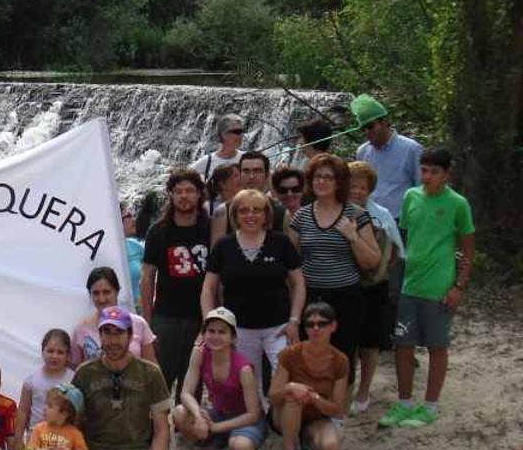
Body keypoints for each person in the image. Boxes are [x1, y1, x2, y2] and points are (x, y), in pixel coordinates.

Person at [378, 147, 475, 429]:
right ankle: (405, 402)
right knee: (403, 345)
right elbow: (404, 238)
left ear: (446, 174)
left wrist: (458, 286)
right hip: (410, 284)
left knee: (436, 346)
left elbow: (468, 248)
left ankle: (430, 406)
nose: (427, 176)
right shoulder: (411, 196)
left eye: (434, 171)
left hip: (439, 286)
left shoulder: (457, 204)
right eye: (424, 170)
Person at [202, 189, 306, 402]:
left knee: (286, 379)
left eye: (256, 210)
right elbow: (208, 289)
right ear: (235, 215)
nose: (250, 215)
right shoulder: (224, 246)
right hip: (239, 330)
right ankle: (254, 425)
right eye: (244, 211)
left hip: (278, 327)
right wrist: (210, 323)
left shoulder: (281, 243)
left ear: (266, 215)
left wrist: (295, 320)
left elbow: (298, 283)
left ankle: (281, 423)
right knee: (248, 383)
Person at [288, 155, 381, 380]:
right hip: (310, 297)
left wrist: (353, 237)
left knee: (343, 358)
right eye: (317, 177)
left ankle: (338, 412)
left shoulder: (355, 215)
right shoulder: (301, 216)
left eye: (328, 177)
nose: (321, 182)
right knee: (308, 356)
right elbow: (291, 261)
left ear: (339, 182)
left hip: (345, 297)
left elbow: (373, 260)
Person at [71, 307, 186, 450]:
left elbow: (162, 429)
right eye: (107, 333)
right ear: (99, 336)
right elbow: (73, 424)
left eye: (119, 333)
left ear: (131, 335)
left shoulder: (150, 373)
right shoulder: (84, 374)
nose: (113, 340)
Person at [171, 308, 265, 450]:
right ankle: (216, 445)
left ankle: (223, 446)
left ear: (233, 337)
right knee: (179, 412)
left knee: (241, 449)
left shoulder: (243, 368)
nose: (215, 336)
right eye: (211, 331)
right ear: (204, 333)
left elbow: (253, 414)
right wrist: (198, 415)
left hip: (244, 420)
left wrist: (215, 428)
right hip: (219, 414)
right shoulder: (199, 353)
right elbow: (185, 393)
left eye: (222, 332)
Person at [141, 169, 211, 389]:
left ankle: (187, 423)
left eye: (190, 190)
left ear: (200, 194)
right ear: (170, 195)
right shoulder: (158, 231)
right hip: (165, 316)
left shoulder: (211, 229)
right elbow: (147, 277)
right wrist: (147, 320)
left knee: (194, 383)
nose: (184, 196)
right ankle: (156, 424)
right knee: (160, 381)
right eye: (178, 191)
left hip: (200, 317)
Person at [347, 161, 404, 413]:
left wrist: (381, 272)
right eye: (352, 186)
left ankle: (363, 391)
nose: (357, 191)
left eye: (362, 187)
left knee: (370, 342)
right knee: (347, 341)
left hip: (373, 287)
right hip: (345, 286)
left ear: (370, 189)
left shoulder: (380, 214)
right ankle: (345, 389)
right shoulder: (337, 211)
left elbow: (397, 250)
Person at [268, 302, 349, 450]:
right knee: (294, 396)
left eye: (322, 324)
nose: (316, 328)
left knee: (330, 447)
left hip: (317, 415)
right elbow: (273, 396)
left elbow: (337, 408)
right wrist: (290, 387)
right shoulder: (289, 354)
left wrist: (314, 398)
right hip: (284, 413)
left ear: (333, 326)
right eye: (310, 324)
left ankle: (305, 442)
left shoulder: (340, 361)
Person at [351, 94, 423, 219]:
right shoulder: (363, 152)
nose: (367, 132)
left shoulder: (411, 149)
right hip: (371, 220)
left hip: (401, 221)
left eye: (370, 126)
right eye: (363, 129)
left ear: (384, 122)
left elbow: (421, 187)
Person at [69, 267, 157, 366]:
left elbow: (152, 367)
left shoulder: (139, 324)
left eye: (106, 292)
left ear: (117, 291)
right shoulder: (80, 330)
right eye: (96, 293)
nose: (101, 299)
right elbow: (75, 371)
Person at [211, 151, 289, 245]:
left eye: (257, 171)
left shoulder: (282, 212)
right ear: (240, 174)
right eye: (246, 171)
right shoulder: (223, 212)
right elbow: (216, 255)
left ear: (267, 175)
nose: (251, 177)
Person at [25, 384, 88, 450]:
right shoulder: (39, 429)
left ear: (64, 414)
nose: (44, 408)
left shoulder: (74, 433)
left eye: (50, 406)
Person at [17, 329, 74, 441]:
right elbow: (23, 410)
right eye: (50, 351)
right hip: (36, 439)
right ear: (43, 351)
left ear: (68, 355)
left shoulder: (74, 379)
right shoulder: (31, 380)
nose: (54, 356)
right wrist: (17, 438)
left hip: (64, 440)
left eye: (60, 352)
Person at [190, 114, 245, 180]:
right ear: (223, 134)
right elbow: (184, 176)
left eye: (242, 132)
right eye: (237, 132)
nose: (241, 135)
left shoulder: (246, 158)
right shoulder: (207, 161)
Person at [120, 204, 145, 301]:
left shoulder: (136, 246)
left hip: (138, 307)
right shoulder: (101, 250)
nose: (134, 220)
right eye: (129, 215)